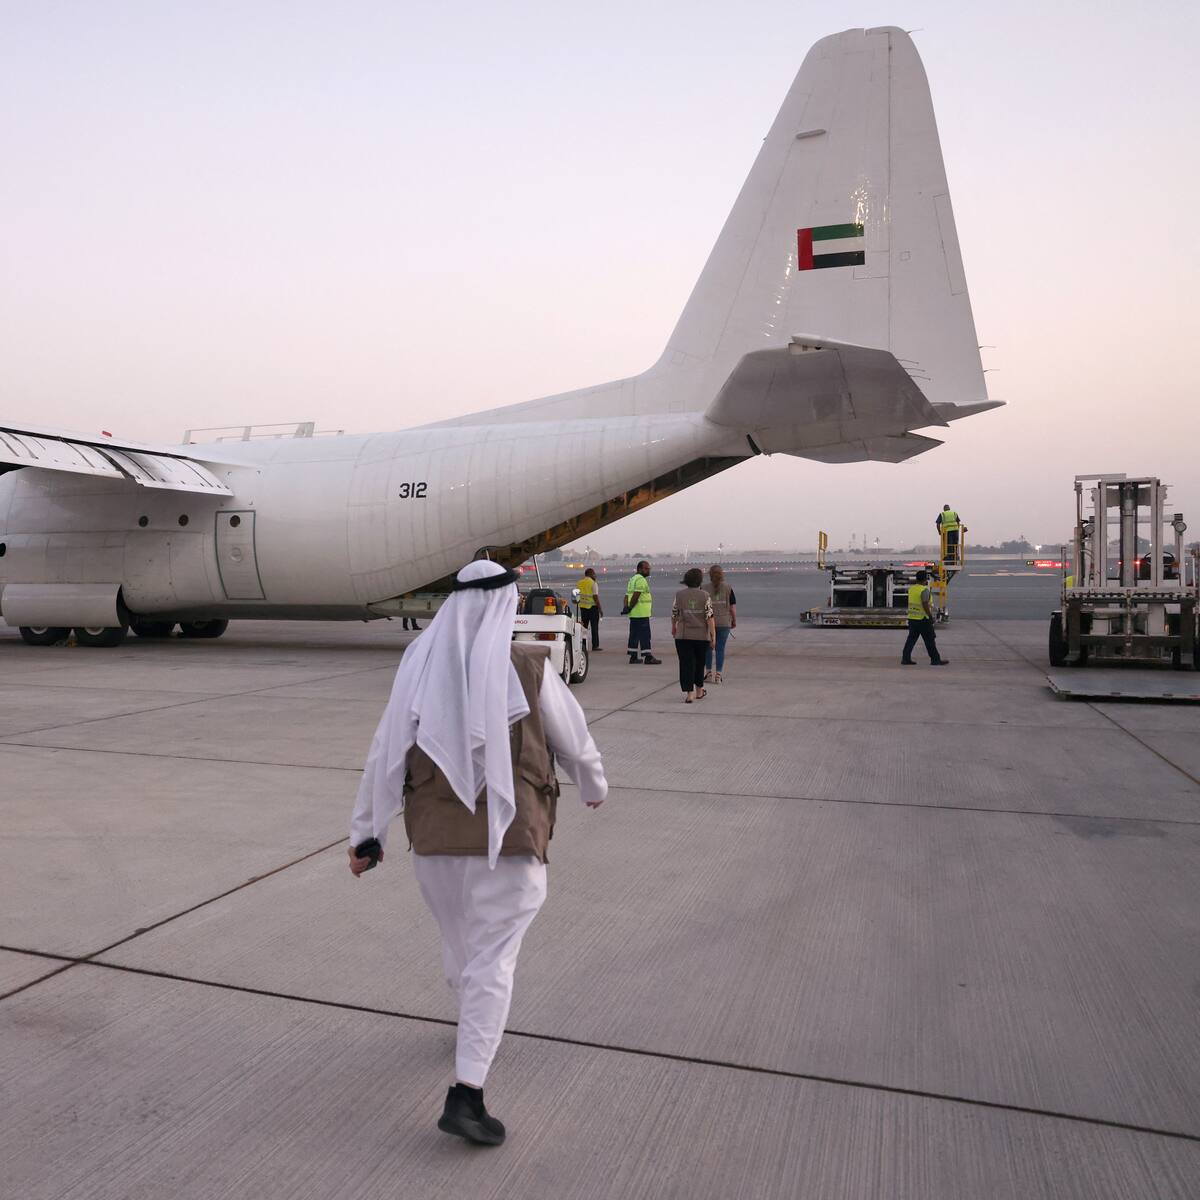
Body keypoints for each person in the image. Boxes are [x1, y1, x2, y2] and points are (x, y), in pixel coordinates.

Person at [347, 559, 607, 1146]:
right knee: (493, 959)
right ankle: (468, 1093)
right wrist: (594, 787)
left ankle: (471, 1030)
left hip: (435, 844)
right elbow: (575, 742)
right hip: (510, 843)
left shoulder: (418, 666)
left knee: (462, 944)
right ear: (504, 603)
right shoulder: (528, 667)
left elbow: (384, 754)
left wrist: (368, 833)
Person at [672, 568, 715, 702]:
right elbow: (709, 617)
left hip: (683, 636)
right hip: (701, 636)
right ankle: (699, 690)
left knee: (686, 664)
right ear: (700, 580)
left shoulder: (679, 595)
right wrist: (713, 636)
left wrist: (674, 627)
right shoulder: (705, 595)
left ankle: (689, 694)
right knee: (699, 663)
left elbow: (675, 613)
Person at [901, 569, 948, 666]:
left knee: (911, 640)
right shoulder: (924, 590)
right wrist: (930, 616)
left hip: (912, 618)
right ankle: (935, 660)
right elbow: (925, 604)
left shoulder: (912, 589)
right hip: (923, 619)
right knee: (930, 640)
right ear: (925, 579)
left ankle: (905, 659)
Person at [703, 564, 737, 683]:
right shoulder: (728, 588)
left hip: (708, 623)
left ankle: (708, 673)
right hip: (724, 622)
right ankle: (718, 675)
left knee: (708, 648)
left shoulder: (704, 588)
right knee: (720, 649)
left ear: (710, 575)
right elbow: (732, 607)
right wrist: (734, 620)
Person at [624, 560, 662, 665]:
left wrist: (626, 607)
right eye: (646, 568)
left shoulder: (632, 579)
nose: (648, 570)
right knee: (645, 635)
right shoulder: (641, 580)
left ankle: (633, 656)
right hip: (641, 613)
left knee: (634, 635)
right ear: (639, 569)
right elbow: (636, 595)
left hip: (634, 614)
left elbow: (627, 595)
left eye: (649, 568)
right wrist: (630, 606)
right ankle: (648, 657)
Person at [576, 567, 603, 651]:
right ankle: (595, 645)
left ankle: (583, 645)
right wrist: (600, 609)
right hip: (592, 608)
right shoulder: (593, 583)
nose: (595, 575)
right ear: (591, 574)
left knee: (584, 628)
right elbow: (595, 596)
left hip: (583, 608)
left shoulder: (579, 583)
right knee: (594, 627)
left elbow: (577, 595)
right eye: (594, 573)